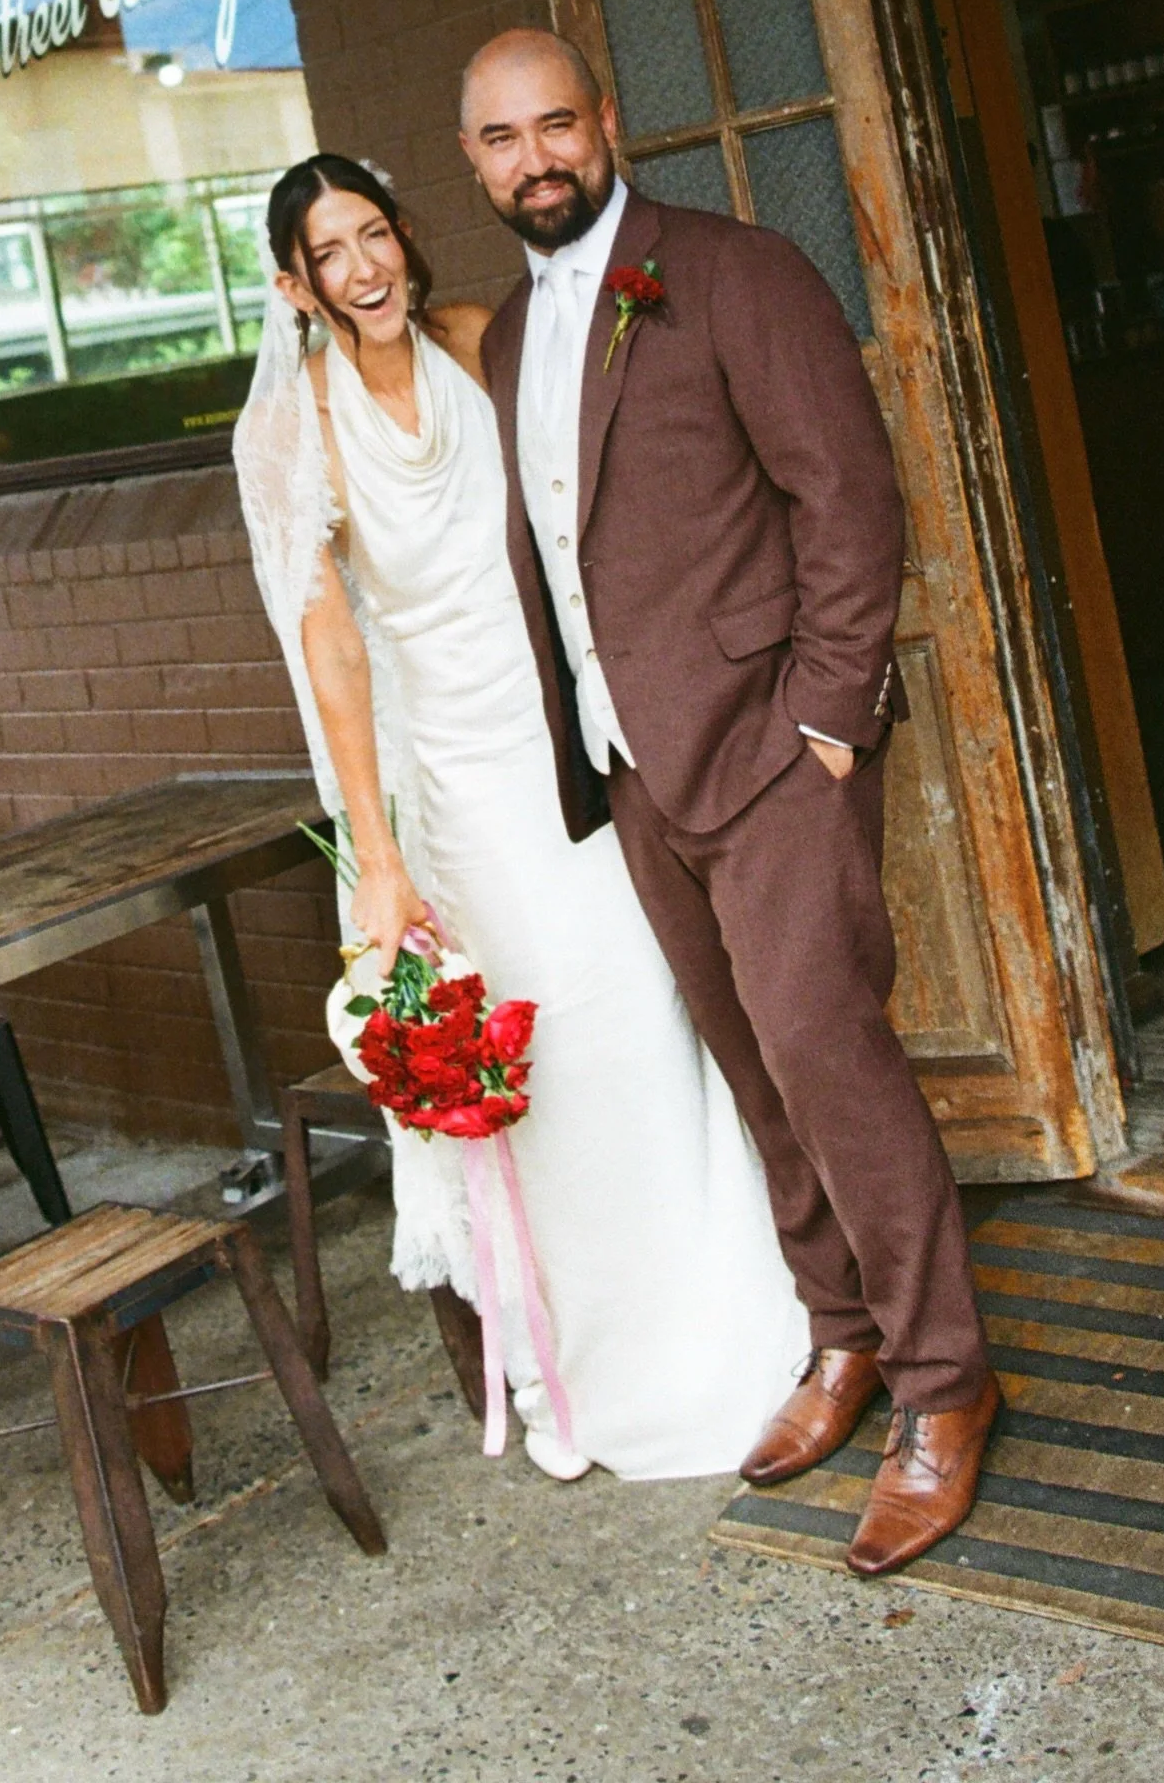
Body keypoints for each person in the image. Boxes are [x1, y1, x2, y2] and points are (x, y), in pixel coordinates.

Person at [461, 28, 999, 1578]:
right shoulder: (510, 333)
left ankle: (945, 1386)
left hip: (770, 753)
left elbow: (847, 493)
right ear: (474, 162)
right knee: (755, 1073)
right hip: (634, 765)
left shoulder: (732, 272)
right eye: (501, 139)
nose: (535, 159)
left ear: (604, 121)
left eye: (555, 125)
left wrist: (826, 721)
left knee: (830, 1060)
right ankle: (842, 1334)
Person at [232, 152, 807, 1485]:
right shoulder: (289, 431)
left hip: (571, 741)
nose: (364, 268)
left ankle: (745, 1323)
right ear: (296, 287)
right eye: (330, 255)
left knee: (650, 1015)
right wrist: (379, 859)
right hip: (455, 781)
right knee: (545, 1060)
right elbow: (332, 652)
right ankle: (591, 1370)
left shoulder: (478, 339)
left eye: (374, 234)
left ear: (403, 233)